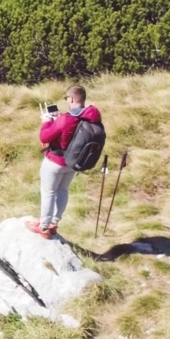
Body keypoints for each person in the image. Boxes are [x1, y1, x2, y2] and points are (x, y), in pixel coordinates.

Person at [26, 85, 102, 239]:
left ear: (72, 98)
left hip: (55, 162)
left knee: (48, 192)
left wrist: (46, 122)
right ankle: (54, 222)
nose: (67, 101)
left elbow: (44, 137)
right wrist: (59, 118)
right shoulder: (92, 115)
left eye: (67, 98)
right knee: (63, 191)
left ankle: (44, 226)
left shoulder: (65, 120)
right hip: (74, 162)